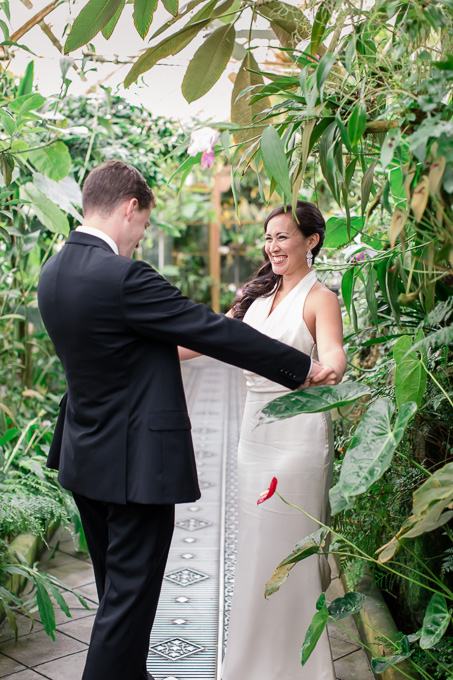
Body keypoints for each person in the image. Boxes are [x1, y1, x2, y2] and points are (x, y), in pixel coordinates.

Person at [37, 162, 336, 680]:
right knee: (125, 607)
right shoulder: (124, 277)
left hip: (84, 460)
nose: (141, 237)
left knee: (115, 595)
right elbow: (208, 330)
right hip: (135, 470)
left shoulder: (54, 271)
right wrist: (300, 366)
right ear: (131, 208)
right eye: (144, 225)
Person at [181, 200, 346, 679]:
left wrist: (328, 370)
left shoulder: (321, 299)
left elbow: (334, 355)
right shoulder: (253, 298)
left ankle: (299, 669)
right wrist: (142, 345)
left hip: (299, 437)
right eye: (268, 237)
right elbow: (205, 337)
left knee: (289, 546)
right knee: (255, 552)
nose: (273, 247)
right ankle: (250, 666)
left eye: (283, 237)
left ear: (311, 241)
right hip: (254, 436)